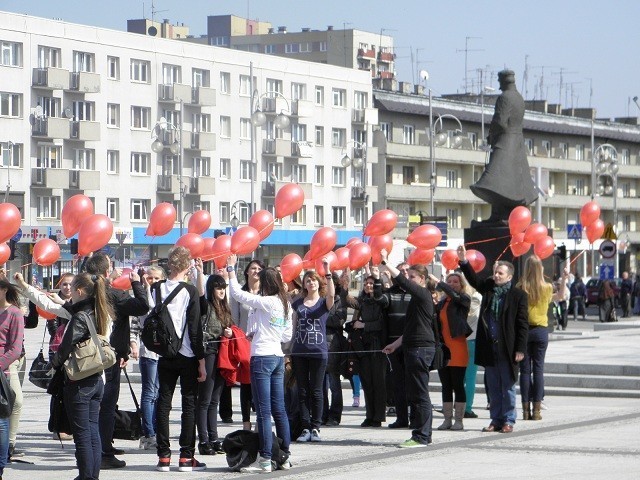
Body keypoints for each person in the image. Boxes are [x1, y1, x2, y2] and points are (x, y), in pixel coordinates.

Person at [227, 254, 293, 473]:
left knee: (263, 412)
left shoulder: (267, 301)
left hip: (262, 358)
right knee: (279, 410)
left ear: (266, 283)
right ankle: (283, 455)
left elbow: (237, 293)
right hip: (276, 356)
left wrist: (230, 269)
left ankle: (265, 458)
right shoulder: (286, 305)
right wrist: (262, 332)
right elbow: (286, 336)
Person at [84, 253, 148, 469]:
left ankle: (101, 448)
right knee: (107, 406)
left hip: (89, 358)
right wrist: (137, 283)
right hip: (109, 358)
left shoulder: (86, 293)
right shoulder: (113, 295)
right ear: (105, 270)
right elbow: (142, 306)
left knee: (95, 407)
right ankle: (103, 452)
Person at [458, 245, 528, 434]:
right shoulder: (488, 289)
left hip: (508, 347)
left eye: (500, 273)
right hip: (490, 346)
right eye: (496, 272)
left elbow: (522, 324)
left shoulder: (518, 296)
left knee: (507, 386)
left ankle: (508, 420)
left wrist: (520, 348)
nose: (496, 276)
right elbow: (474, 280)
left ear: (509, 277)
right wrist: (464, 261)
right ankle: (495, 420)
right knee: (494, 386)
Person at [50, 273, 113, 480]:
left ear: (79, 291)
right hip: (96, 378)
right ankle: (92, 475)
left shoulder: (80, 316)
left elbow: (66, 346)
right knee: (92, 430)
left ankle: (86, 476)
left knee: (82, 434)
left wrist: (54, 363)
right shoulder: (99, 310)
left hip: (80, 381)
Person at [154, 247, 207, 472]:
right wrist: (202, 361)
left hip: (164, 353)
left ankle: (163, 456)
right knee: (189, 404)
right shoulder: (189, 292)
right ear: (187, 267)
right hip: (187, 355)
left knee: (163, 404)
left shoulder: (155, 288)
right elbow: (195, 330)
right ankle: (186, 457)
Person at [381, 251, 438, 448]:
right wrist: (395, 344)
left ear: (421, 279)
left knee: (419, 393)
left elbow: (402, 282)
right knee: (416, 392)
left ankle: (421, 436)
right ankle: (424, 434)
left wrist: (386, 263)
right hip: (414, 347)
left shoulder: (422, 294)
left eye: (412, 276)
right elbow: (411, 328)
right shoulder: (418, 299)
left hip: (420, 350)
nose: (408, 279)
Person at [470, 69, 538, 224]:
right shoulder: (519, 98)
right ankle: (504, 214)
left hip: (505, 141)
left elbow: (500, 121)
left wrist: (491, 135)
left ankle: (499, 216)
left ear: (502, 81)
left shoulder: (504, 97)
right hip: (518, 142)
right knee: (513, 178)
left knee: (496, 178)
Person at [517, 257, 567, 421]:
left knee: (525, 371)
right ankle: (537, 410)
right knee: (538, 370)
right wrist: (565, 278)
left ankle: (525, 410)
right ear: (541, 269)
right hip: (540, 331)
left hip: (524, 332)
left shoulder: (521, 287)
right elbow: (560, 296)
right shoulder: (546, 287)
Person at [291, 263, 335, 442]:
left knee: (317, 391)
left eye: (314, 280)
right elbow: (292, 328)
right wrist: (287, 350)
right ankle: (305, 427)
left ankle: (316, 427)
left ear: (319, 283)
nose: (311, 283)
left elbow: (332, 294)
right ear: (304, 284)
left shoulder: (324, 303)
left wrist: (328, 272)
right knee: (302, 391)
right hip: (299, 351)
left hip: (318, 352)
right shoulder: (297, 304)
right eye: (308, 280)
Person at [342, 267, 389, 428]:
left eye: (372, 283)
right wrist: (345, 285)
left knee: (378, 383)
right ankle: (370, 415)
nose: (368, 286)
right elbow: (347, 300)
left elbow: (382, 324)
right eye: (366, 283)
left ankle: (378, 416)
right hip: (362, 347)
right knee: (367, 382)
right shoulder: (362, 301)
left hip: (377, 346)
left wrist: (364, 325)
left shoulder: (382, 301)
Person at [196, 266, 233, 455]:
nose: (221, 290)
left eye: (223, 287)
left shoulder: (226, 308)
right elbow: (200, 295)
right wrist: (200, 273)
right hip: (208, 351)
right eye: (218, 287)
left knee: (214, 400)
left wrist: (230, 331)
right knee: (204, 399)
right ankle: (203, 441)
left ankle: (214, 438)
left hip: (222, 353)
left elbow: (230, 327)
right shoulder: (206, 306)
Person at [129, 265, 166, 450]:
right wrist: (133, 344)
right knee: (149, 393)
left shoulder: (166, 296)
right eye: (150, 278)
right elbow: (136, 323)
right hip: (149, 352)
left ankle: (158, 430)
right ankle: (148, 434)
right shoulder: (142, 299)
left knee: (160, 394)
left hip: (164, 353)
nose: (153, 282)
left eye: (157, 279)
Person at [227, 259, 265, 431]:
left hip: (262, 342)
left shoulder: (266, 294)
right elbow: (234, 318)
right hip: (243, 343)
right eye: (253, 268)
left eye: (259, 269)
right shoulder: (239, 293)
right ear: (247, 272)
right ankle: (246, 423)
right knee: (245, 384)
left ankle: (260, 422)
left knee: (260, 384)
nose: (256, 271)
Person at [431, 272, 471, 431]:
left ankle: (459, 420)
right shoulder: (441, 303)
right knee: (446, 385)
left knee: (458, 384)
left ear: (461, 285)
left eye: (456, 282)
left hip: (458, 347)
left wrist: (441, 283)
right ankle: (447, 419)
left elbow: (455, 296)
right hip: (443, 348)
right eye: (450, 281)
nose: (453, 284)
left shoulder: (463, 299)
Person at [0, 278, 25, 478]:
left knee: (4, 415)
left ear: (5, 290)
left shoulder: (14, 313)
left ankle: (2, 460)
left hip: (3, 371)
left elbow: (15, 349)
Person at [384, 262, 412, 429]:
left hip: (413, 344)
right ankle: (402, 418)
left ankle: (415, 418)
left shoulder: (417, 294)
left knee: (413, 385)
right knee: (398, 384)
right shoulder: (390, 293)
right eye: (401, 271)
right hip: (393, 345)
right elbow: (379, 300)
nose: (405, 274)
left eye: (408, 271)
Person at [322, 272, 347, 427]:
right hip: (319, 344)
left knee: (334, 383)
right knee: (320, 385)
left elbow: (339, 320)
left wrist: (321, 319)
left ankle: (335, 415)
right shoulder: (317, 300)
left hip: (333, 345)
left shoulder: (339, 301)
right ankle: (322, 414)